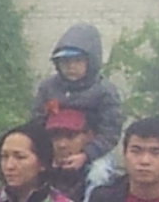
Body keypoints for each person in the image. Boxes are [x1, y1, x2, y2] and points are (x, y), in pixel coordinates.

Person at [35, 26, 125, 163]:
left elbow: (110, 131)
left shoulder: (105, 91)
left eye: (78, 61)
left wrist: (87, 155)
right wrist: (46, 148)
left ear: (91, 62)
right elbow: (37, 122)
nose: (71, 66)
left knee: (99, 173)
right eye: (65, 61)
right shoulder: (48, 88)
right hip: (54, 149)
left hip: (93, 153)